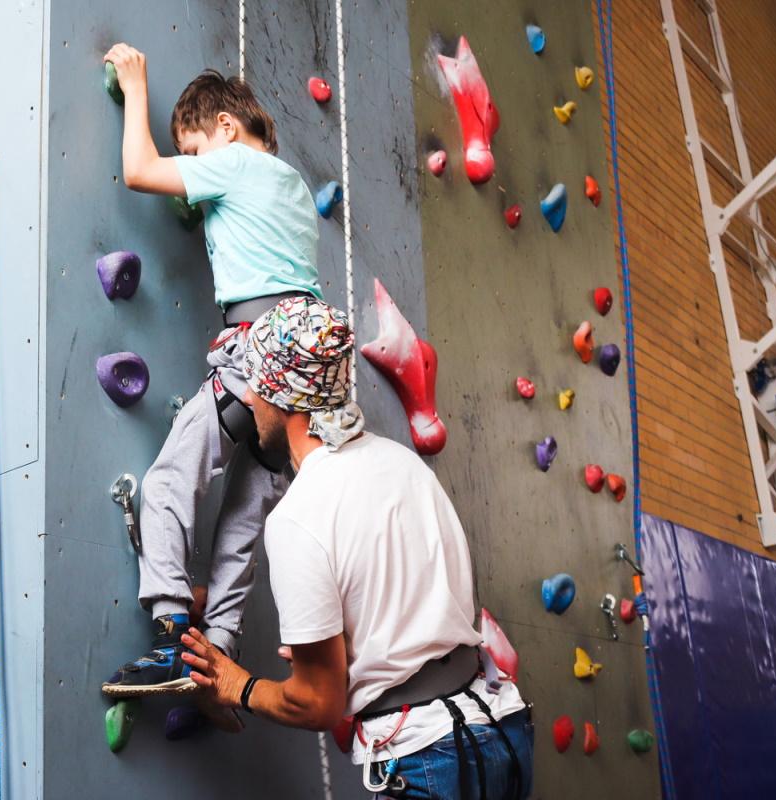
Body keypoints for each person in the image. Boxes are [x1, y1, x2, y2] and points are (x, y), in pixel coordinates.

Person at [181, 297, 534, 799]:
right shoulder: (403, 464)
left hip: (428, 758)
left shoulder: (298, 518)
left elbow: (317, 704)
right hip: (501, 730)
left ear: (283, 397)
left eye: (257, 380)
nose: (251, 396)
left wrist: (239, 685)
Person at [99, 43, 324, 704]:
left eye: (192, 151)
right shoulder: (292, 187)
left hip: (257, 353)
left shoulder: (234, 165)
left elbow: (140, 171)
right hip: (303, 383)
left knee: (172, 479)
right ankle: (217, 659)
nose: (195, 172)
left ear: (226, 130)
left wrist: (136, 86)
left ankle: (171, 638)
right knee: (241, 527)